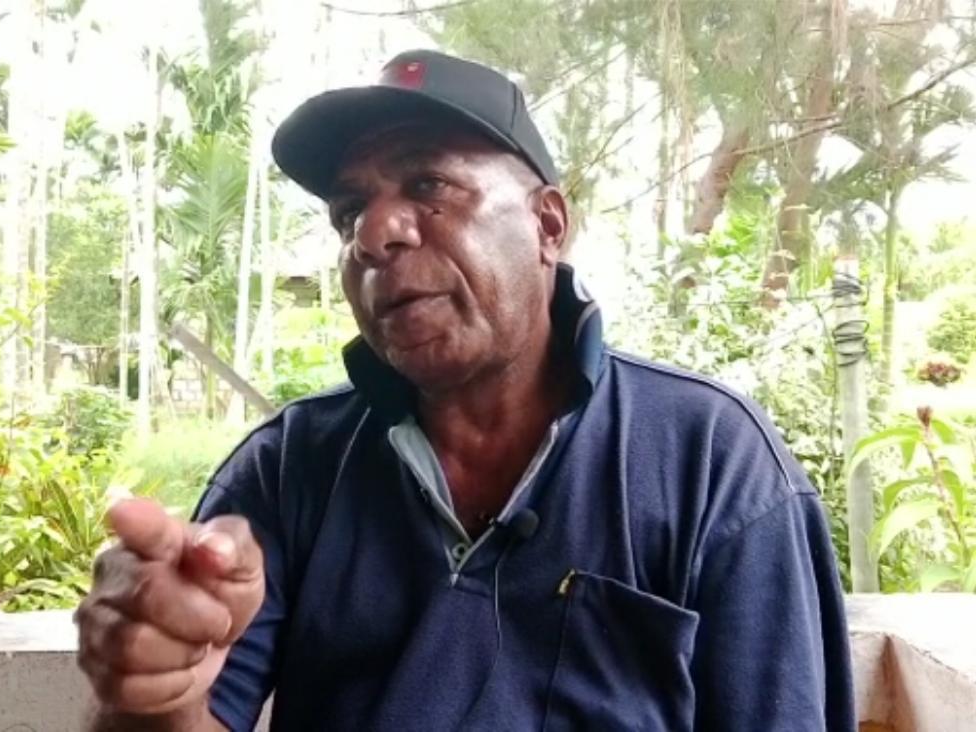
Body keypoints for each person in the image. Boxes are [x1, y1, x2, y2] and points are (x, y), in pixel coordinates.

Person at [75, 49, 855, 731]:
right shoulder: (289, 468)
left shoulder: (712, 461)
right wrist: (159, 691)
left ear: (549, 226)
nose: (373, 234)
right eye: (349, 211)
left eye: (428, 184)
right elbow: (187, 705)